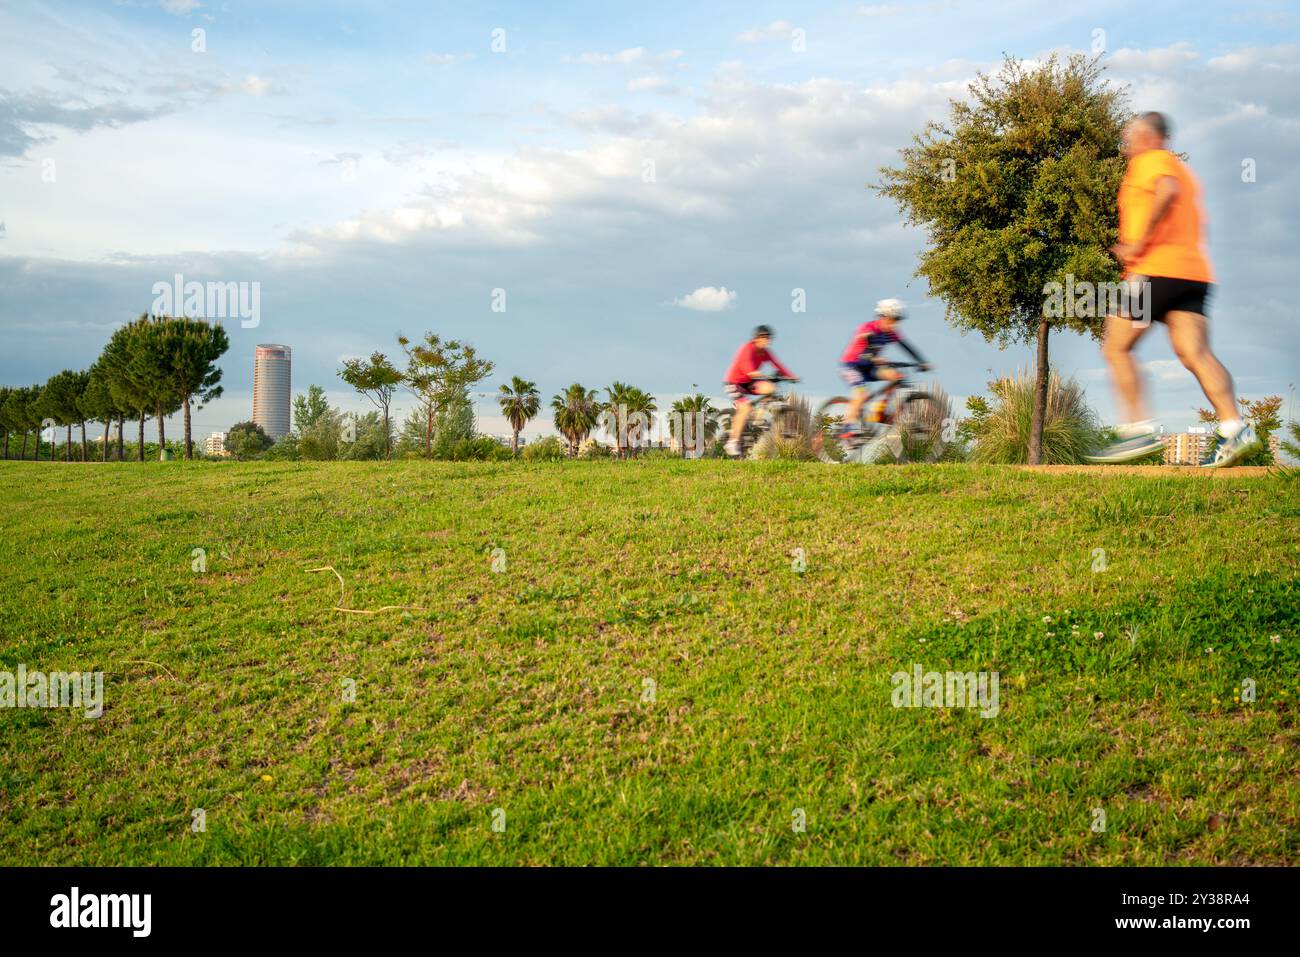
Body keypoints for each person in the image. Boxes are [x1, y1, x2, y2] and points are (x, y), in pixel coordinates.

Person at [1086, 111, 1260, 467]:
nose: (1126, 143)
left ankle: (1137, 430)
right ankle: (1234, 427)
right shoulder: (1185, 170)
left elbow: (1166, 191)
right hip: (1192, 274)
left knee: (1116, 347)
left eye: (1131, 135)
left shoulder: (1151, 162)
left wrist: (1138, 244)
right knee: (1194, 353)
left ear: (1151, 136)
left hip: (1153, 270)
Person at [837, 298, 929, 434]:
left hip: (869, 367)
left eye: (897, 320)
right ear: (883, 316)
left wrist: (921, 361)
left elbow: (906, 346)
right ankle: (847, 427)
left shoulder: (891, 334)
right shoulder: (869, 327)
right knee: (861, 395)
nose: (895, 323)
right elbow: (864, 339)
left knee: (896, 376)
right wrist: (873, 355)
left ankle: (880, 411)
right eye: (893, 319)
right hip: (851, 366)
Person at [723, 325, 796, 457]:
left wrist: (790, 376)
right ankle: (732, 442)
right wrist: (760, 375)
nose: (766, 341)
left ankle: (760, 417)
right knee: (745, 408)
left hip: (749, 382)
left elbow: (778, 364)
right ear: (756, 339)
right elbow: (748, 370)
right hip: (734, 382)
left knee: (771, 387)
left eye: (768, 339)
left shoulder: (766, 352)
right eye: (764, 338)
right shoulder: (747, 349)